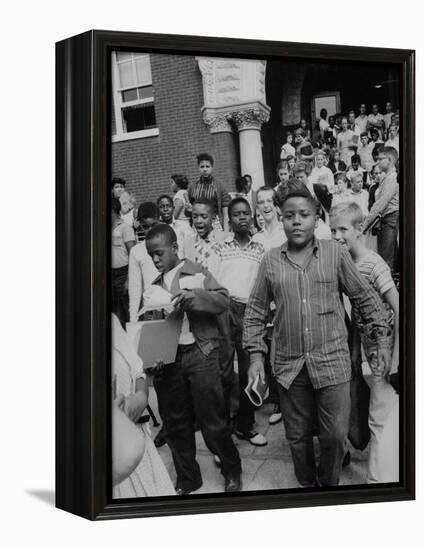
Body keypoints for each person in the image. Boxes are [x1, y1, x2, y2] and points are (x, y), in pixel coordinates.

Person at [243, 190, 391, 487]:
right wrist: (256, 357)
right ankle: (307, 486)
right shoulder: (271, 261)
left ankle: (329, 485)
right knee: (297, 437)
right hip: (289, 366)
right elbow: (255, 310)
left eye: (304, 215)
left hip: (332, 362)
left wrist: (382, 342)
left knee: (335, 435)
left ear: (316, 219)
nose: (296, 222)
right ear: (281, 219)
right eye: (289, 216)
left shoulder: (334, 254)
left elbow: (364, 297)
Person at [145, 223, 242, 493]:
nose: (155, 259)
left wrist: (194, 297)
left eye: (159, 253)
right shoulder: (154, 286)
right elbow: (153, 327)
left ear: (175, 248)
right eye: (151, 254)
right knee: (176, 423)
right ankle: (188, 478)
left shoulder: (196, 271)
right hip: (170, 361)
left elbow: (223, 299)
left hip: (201, 353)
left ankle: (232, 469)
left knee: (213, 421)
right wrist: (154, 356)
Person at [329, 202, 399, 483]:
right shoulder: (348, 263)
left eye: (343, 229)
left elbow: (399, 306)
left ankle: (378, 480)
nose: (337, 236)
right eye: (333, 230)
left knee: (380, 416)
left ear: (360, 229)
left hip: (385, 349)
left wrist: (395, 359)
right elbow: (357, 312)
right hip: (366, 349)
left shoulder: (373, 263)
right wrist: (355, 352)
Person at [216, 197, 267, 446]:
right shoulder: (221, 247)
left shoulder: (259, 249)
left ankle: (245, 426)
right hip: (226, 310)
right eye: (237, 214)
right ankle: (224, 431)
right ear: (230, 219)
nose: (242, 217)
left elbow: (263, 284)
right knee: (224, 372)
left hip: (250, 312)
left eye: (246, 213)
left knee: (250, 372)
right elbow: (213, 281)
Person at [112, 314, 176, 497]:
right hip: (116, 458)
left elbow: (137, 369)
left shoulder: (112, 321)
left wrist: (141, 396)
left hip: (141, 443)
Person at [363, 147, 399, 277]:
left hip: (390, 220)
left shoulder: (392, 178)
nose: (377, 162)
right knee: (386, 258)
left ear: (389, 160)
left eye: (380, 159)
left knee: (386, 261)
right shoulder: (387, 178)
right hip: (385, 220)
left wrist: (365, 224)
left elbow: (380, 204)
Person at [128, 202, 161, 323]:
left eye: (154, 225)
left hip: (173, 308)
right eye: (146, 226)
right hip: (150, 310)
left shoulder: (171, 243)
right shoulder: (137, 251)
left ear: (159, 219)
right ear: (140, 225)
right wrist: (133, 319)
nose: (150, 230)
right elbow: (135, 288)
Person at [188, 153, 231, 232]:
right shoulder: (193, 187)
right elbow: (189, 209)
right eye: (202, 166)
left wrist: (226, 232)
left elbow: (226, 213)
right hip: (198, 223)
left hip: (215, 223)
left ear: (212, 168)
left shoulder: (219, 186)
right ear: (198, 168)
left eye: (207, 166)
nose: (205, 169)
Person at [112, 198, 136, 327]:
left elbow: (133, 253)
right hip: (111, 274)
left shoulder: (125, 227)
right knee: (114, 311)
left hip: (123, 273)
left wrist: (128, 279)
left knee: (125, 309)